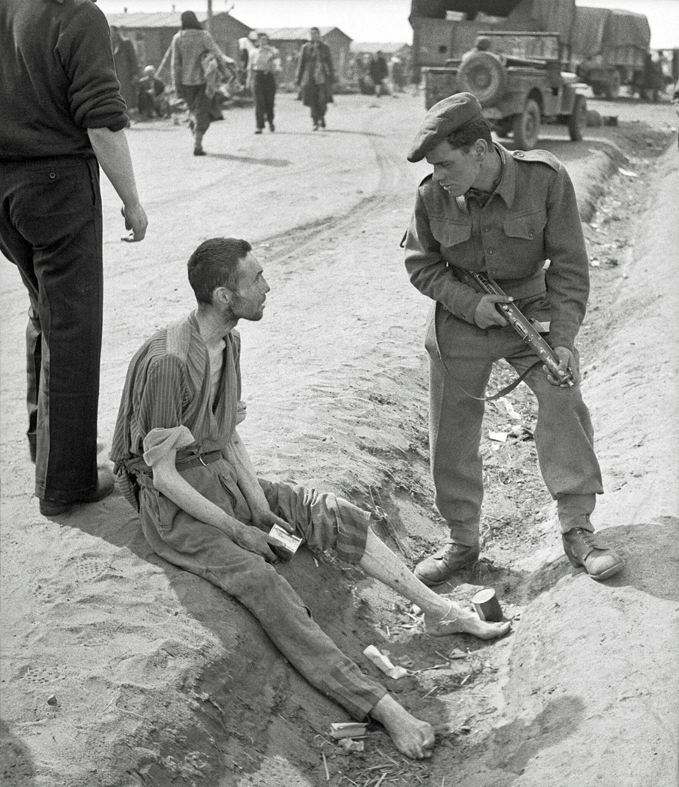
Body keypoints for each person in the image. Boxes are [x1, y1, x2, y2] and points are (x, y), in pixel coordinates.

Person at [110, 237, 510, 761]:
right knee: (263, 581)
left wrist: (259, 508)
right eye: (255, 280)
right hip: (175, 506)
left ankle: (440, 610)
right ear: (224, 296)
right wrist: (238, 530)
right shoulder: (168, 362)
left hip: (222, 479)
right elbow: (161, 476)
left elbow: (227, 435)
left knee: (329, 514)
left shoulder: (227, 342)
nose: (267, 287)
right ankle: (382, 707)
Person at [403, 93, 625, 586]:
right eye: (434, 167)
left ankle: (577, 529)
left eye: (446, 163)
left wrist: (563, 339)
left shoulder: (544, 180)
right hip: (465, 317)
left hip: (532, 312)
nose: (439, 175)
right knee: (452, 427)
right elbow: (422, 267)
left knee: (562, 396)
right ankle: (461, 541)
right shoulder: (431, 194)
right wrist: (469, 305)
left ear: (480, 149)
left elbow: (569, 268)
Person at [0, 0, 148, 517]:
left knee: (45, 316)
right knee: (73, 333)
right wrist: (132, 200)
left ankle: (51, 454)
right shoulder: (78, 15)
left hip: (7, 193)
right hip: (57, 188)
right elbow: (103, 122)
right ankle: (68, 483)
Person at [171, 10, 234, 156]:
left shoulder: (178, 38)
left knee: (194, 111)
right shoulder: (204, 36)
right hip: (205, 81)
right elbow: (217, 54)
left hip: (186, 82)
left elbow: (175, 64)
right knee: (201, 111)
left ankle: (196, 139)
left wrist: (176, 85)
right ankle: (197, 143)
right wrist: (226, 73)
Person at [296, 27, 335, 130]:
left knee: (322, 99)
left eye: (316, 33)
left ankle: (321, 115)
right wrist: (298, 78)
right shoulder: (306, 47)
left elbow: (330, 63)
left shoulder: (325, 47)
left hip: (322, 76)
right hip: (309, 76)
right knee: (312, 99)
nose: (314, 35)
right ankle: (315, 121)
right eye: (312, 34)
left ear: (319, 35)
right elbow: (301, 64)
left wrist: (332, 76)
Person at [247, 32, 280, 134]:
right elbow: (250, 67)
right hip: (258, 77)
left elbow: (277, 65)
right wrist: (248, 80)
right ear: (258, 41)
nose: (263, 42)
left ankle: (270, 121)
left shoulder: (273, 51)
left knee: (269, 102)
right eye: (261, 40)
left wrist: (275, 68)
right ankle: (259, 126)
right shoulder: (253, 52)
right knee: (259, 102)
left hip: (269, 77)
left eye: (265, 40)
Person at [110, 26, 139, 115]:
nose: (111, 34)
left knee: (126, 95)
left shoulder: (125, 42)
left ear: (116, 32)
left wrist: (135, 73)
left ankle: (126, 116)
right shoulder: (109, 44)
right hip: (114, 74)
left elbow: (133, 59)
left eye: (112, 32)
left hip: (125, 74)